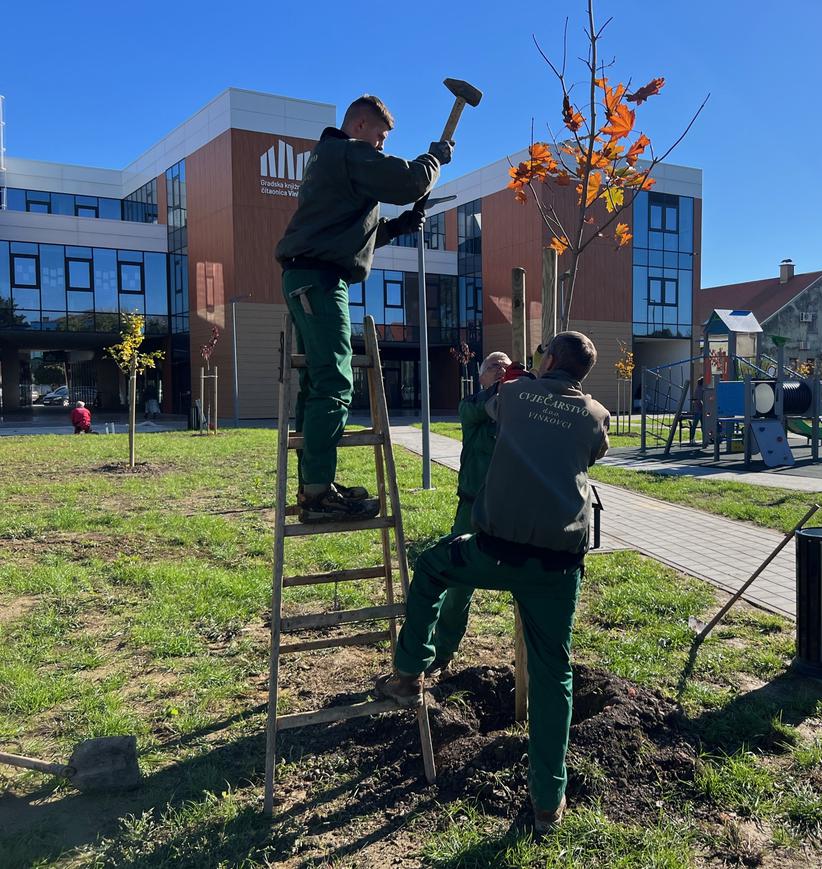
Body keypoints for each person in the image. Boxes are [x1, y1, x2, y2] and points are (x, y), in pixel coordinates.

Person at [376, 331, 610, 833]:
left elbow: (490, 408)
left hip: (494, 552)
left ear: (547, 359)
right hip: (557, 566)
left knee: (434, 566)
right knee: (553, 674)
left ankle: (410, 672)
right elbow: (590, 455)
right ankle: (548, 802)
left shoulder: (513, 394)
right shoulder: (596, 414)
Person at [275, 94, 453, 523]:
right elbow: (409, 182)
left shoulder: (332, 162)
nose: (381, 146)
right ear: (358, 127)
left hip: (312, 276)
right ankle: (317, 494)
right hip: (318, 280)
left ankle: (313, 486)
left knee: (320, 381)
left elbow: (344, 232)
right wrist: (434, 159)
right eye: (380, 137)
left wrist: (396, 228)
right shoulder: (345, 151)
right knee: (336, 381)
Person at [425, 350, 511, 678]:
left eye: (506, 367)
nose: (501, 371)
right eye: (493, 367)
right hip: (472, 507)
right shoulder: (471, 405)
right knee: (458, 579)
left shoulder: (518, 405)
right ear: (480, 376)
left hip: (511, 510)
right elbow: (482, 408)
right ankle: (441, 649)